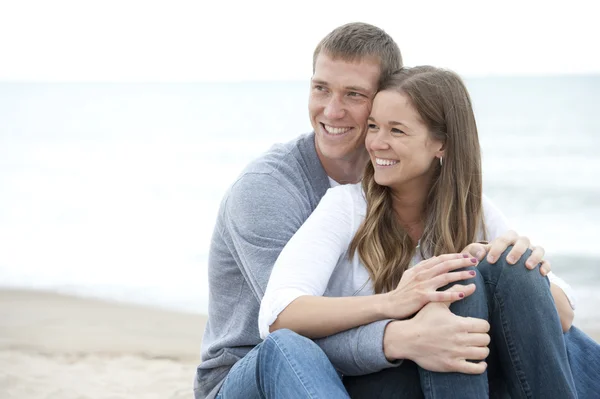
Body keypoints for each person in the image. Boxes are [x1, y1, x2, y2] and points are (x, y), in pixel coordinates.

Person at [195, 23, 549, 399]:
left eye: (354, 94)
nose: (332, 110)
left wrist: (527, 273)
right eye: (321, 88)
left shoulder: (405, 183)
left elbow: (550, 312)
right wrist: (397, 335)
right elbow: (285, 326)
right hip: (255, 371)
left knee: (469, 307)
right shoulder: (268, 190)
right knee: (293, 348)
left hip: (362, 371)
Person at [259, 66, 600, 398]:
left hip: (461, 372)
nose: (376, 143)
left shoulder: (473, 207)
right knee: (456, 278)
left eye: (396, 131)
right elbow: (279, 315)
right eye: (374, 126)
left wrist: (524, 264)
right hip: (374, 382)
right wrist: (393, 303)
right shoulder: (346, 206)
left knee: (503, 262)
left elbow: (564, 317)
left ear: (441, 144)